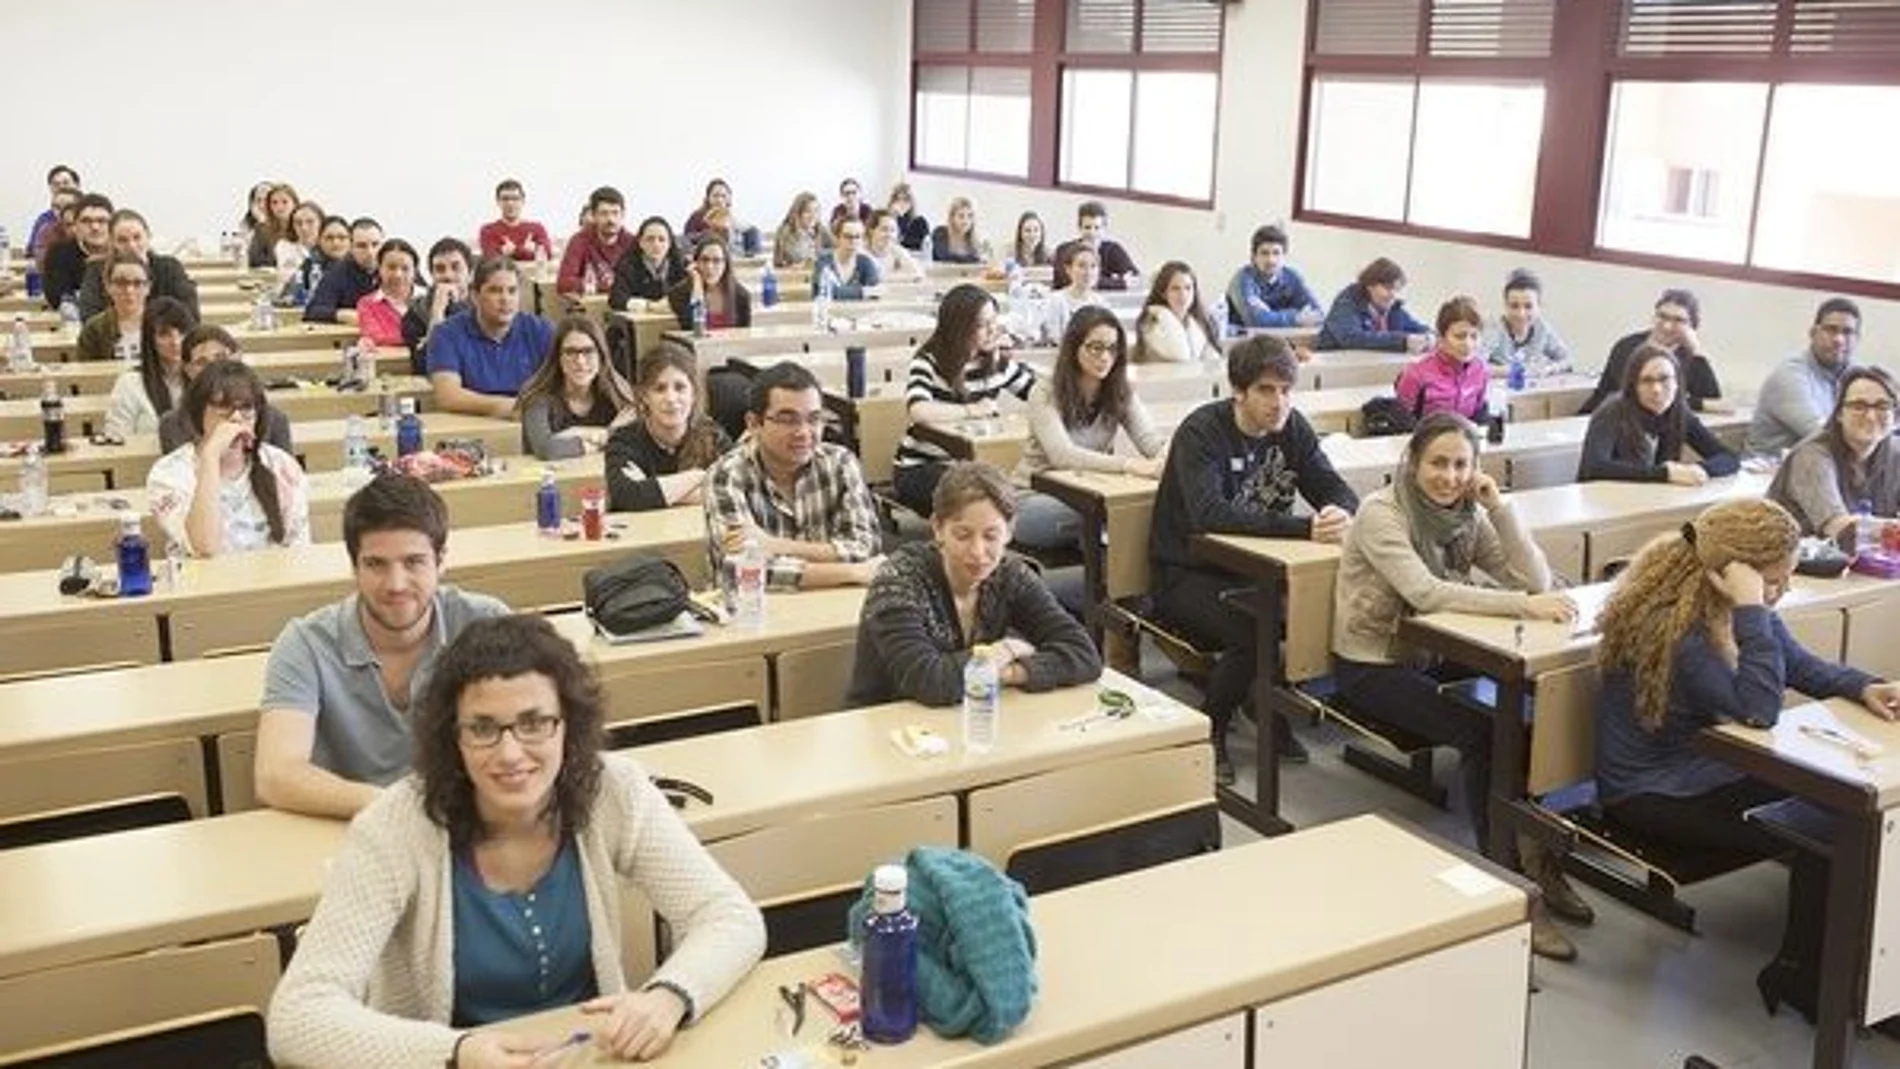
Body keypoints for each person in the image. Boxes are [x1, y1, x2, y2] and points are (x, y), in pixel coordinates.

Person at [265, 613, 766, 1067]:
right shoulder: (394, 827)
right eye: (483, 728)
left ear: (568, 725)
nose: (510, 753)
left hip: (591, 1057)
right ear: (451, 736)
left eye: (534, 723)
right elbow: (297, 1017)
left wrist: (668, 995)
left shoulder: (613, 790)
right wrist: (456, 1051)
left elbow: (730, 916)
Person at [1594, 498, 1900, 1019]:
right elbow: (1759, 711)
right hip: (1654, 792)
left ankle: (1860, 972)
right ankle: (1800, 975)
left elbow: (1799, 666)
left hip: (1712, 767)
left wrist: (1865, 686)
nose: (1780, 593)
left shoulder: (1731, 606)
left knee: (1859, 817)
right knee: (1832, 830)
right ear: (1729, 575)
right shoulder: (1678, 628)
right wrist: (1752, 608)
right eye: (1772, 582)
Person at [1332, 411, 1582, 960]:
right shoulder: (1381, 514)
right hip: (1371, 662)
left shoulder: (1469, 512)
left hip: (1431, 651)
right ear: (1413, 462)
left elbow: (1533, 579)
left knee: (1530, 718)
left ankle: (1537, 851)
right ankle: (1508, 880)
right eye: (1437, 463)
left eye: (1460, 465)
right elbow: (1426, 593)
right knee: (1482, 732)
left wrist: (1500, 506)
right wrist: (1523, 606)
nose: (1449, 476)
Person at [1150, 335, 1358, 783]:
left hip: (1259, 569)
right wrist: (1304, 528)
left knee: (1318, 609)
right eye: (1266, 390)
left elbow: (1335, 488)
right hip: (1186, 571)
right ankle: (1212, 727)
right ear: (1238, 391)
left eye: (1286, 390)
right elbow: (1210, 515)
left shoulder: (1294, 428)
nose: (1278, 402)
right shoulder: (1202, 432)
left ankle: (1262, 702)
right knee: (1255, 630)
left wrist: (1339, 511)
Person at [255, 475, 510, 820]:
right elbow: (276, 775)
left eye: (413, 562)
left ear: (441, 560)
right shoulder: (305, 644)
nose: (396, 584)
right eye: (376, 564)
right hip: (351, 827)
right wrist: (397, 811)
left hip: (468, 821)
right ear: (354, 566)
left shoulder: (486, 623)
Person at [847, 461, 1102, 706]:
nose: (978, 552)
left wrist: (1009, 674)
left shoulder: (1011, 576)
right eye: (963, 535)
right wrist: (1004, 650)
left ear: (1010, 532)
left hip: (966, 716)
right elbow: (929, 681)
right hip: (888, 728)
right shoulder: (898, 580)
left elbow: (1084, 655)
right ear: (937, 528)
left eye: (991, 536)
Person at [704, 361, 883, 591]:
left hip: (837, 600)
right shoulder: (726, 475)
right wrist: (853, 572)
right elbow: (742, 572)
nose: (803, 432)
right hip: (758, 613)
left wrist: (776, 546)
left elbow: (865, 548)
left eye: (814, 419)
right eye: (788, 420)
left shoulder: (839, 462)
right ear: (754, 424)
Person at [1013, 307, 1168, 550]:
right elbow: (1062, 455)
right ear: (1074, 348)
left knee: (1143, 510)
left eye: (1112, 349)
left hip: (1089, 492)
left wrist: (1167, 457)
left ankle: (1120, 584)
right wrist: (1128, 465)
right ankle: (1106, 582)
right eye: (1095, 347)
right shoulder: (1045, 392)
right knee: (1107, 514)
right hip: (1034, 499)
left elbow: (1151, 441)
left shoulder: (1120, 391)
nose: (1105, 357)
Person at [892, 284, 1036, 517]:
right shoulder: (929, 360)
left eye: (994, 322)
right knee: (980, 496)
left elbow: (1039, 394)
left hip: (972, 464)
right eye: (982, 325)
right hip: (921, 468)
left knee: (1000, 490)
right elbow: (918, 410)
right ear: (959, 327)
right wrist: (972, 409)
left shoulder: (996, 362)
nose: (992, 331)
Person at [147, 360, 309, 557]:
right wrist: (210, 456)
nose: (237, 419)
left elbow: (299, 552)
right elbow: (203, 547)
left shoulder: (281, 466)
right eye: (223, 409)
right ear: (199, 414)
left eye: (246, 409)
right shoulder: (169, 473)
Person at [1768, 366, 1900, 542]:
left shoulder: (1894, 452)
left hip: (1864, 559)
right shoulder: (1811, 455)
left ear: (1896, 416)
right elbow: (1839, 528)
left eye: (1882, 406)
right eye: (1858, 406)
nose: (1870, 416)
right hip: (1793, 560)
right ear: (1839, 414)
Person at [1578, 346, 1738, 485]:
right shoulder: (1612, 410)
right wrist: (1666, 473)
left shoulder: (1679, 411)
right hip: (1606, 502)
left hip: (1656, 498)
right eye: (1646, 381)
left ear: (1677, 383)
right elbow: (1594, 467)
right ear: (1633, 386)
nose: (1657, 390)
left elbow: (1728, 456)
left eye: (1664, 379)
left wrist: (1700, 470)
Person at [605, 343, 734, 512]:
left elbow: (736, 491)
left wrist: (650, 489)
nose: (671, 398)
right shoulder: (624, 440)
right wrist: (700, 476)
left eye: (680, 387)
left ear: (694, 393)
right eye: (659, 389)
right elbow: (626, 497)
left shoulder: (713, 435)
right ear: (644, 396)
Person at [428, 258, 555, 418]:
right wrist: (511, 407)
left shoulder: (541, 330)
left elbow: (562, 385)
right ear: (475, 296)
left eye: (512, 291)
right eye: (495, 290)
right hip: (472, 425)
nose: (505, 299)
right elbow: (448, 396)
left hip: (532, 421)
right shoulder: (446, 334)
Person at [1745, 297, 1862, 457]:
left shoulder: (1857, 375)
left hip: (1822, 467)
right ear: (1813, 333)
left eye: (1847, 332)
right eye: (1831, 330)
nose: (1838, 340)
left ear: (1857, 339)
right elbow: (1822, 434)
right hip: (1769, 472)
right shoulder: (1789, 375)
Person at [1581, 288, 1721, 414]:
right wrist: (1697, 403)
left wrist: (1697, 351)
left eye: (1678, 320)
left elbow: (1715, 401)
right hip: (1603, 418)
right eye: (1662, 316)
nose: (1667, 326)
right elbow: (1640, 396)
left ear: (1692, 327)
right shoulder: (1628, 346)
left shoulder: (1689, 356)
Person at [159, 325, 295, 455]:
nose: (213, 367)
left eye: (221, 358)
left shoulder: (274, 419)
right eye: (202, 362)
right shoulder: (173, 423)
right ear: (188, 370)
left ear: (236, 358)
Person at [514, 317, 636, 460]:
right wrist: (606, 435)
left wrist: (574, 434)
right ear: (558, 359)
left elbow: (638, 439)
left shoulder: (615, 393)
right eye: (570, 352)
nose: (580, 361)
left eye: (588, 351)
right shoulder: (538, 399)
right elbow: (547, 449)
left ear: (601, 357)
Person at [76, 209, 200, 321]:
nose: (132, 246)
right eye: (122, 240)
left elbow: (190, 315)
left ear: (148, 236)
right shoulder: (97, 271)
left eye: (137, 237)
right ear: (112, 243)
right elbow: (89, 315)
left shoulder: (170, 267)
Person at [103, 297, 197, 439]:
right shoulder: (129, 384)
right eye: (164, 334)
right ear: (150, 340)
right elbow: (116, 439)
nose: (176, 342)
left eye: (182, 332)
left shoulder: (202, 377)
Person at [1393, 296, 1491, 422]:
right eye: (1459, 336)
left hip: (1465, 437)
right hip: (1425, 438)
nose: (1468, 344)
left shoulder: (1481, 369)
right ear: (1441, 338)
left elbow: (1479, 416)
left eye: (1474, 336)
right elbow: (1401, 425)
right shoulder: (1416, 374)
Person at [1314, 257, 1431, 352]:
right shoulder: (1348, 300)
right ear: (1370, 284)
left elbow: (1417, 328)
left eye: (1397, 290)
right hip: (1335, 369)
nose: (1393, 295)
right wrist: (1403, 341)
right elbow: (1351, 338)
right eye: (1388, 288)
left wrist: (1429, 337)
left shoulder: (1393, 307)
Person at [401, 237, 475, 376]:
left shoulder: (486, 308)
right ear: (432, 276)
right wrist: (437, 313)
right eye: (440, 269)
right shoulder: (415, 314)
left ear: (470, 274)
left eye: (456, 267)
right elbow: (425, 366)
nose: (448, 275)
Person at [1226, 224, 1322, 329]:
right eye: (1264, 253)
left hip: (1283, 340)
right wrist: (1296, 317)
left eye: (1276, 253)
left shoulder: (1293, 277)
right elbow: (1256, 322)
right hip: (1244, 342)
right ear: (1253, 256)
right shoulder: (1242, 280)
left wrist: (1268, 313)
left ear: (1284, 256)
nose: (1271, 260)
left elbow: (1318, 315)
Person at [1481, 268, 1571, 375]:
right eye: (1514, 306)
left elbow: (1567, 359)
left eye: (1528, 306)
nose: (1521, 314)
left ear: (1539, 306)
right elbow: (1475, 366)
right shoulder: (1494, 329)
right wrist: (1512, 371)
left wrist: (1549, 368)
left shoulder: (1542, 328)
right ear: (1505, 305)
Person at [1132, 261, 1221, 364]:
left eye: (1188, 288)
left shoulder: (1197, 321)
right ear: (1163, 293)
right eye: (1175, 289)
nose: (1183, 295)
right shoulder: (1153, 319)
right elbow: (1180, 355)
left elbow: (1214, 360)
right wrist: (1163, 315)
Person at [42, 191, 113, 312]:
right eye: (86, 221)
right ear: (75, 226)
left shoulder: (125, 251)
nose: (95, 227)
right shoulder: (58, 253)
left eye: (102, 221)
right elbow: (58, 298)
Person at [556, 186, 633, 296]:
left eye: (615, 213)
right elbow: (564, 283)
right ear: (593, 215)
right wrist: (605, 285)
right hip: (591, 307)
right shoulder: (580, 241)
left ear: (623, 215)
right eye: (604, 213)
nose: (610, 219)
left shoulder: (632, 242)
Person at [666, 235, 753, 331]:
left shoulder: (741, 296)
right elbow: (693, 328)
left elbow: (744, 335)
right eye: (704, 260)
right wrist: (697, 284)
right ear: (696, 263)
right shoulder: (679, 294)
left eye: (717, 261)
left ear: (725, 264)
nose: (709, 267)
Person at [306, 217, 383, 324]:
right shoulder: (336, 272)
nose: (370, 252)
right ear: (350, 247)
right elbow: (312, 312)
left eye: (375, 244)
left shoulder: (399, 267)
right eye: (361, 246)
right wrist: (343, 314)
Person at [75, 252, 150, 361]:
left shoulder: (163, 324)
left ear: (148, 287)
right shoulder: (93, 330)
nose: (129, 290)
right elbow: (86, 373)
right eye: (121, 283)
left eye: (137, 283)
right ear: (108, 286)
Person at [1051, 201, 1139, 291]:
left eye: (1097, 228)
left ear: (1104, 229)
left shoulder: (1113, 249)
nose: (1092, 233)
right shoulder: (1064, 249)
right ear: (1079, 227)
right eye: (1087, 227)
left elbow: (1133, 278)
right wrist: (1118, 282)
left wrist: (1097, 282)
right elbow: (1066, 280)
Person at [607, 216, 688, 313]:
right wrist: (649, 306)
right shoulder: (627, 266)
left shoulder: (681, 265)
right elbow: (616, 299)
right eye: (650, 239)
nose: (656, 244)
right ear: (641, 243)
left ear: (669, 243)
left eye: (662, 239)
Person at [354, 239, 421, 348]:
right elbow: (377, 337)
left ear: (415, 271)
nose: (398, 274)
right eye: (391, 267)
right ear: (379, 268)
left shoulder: (430, 298)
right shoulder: (367, 304)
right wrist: (421, 338)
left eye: (405, 268)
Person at [1038, 242, 1106, 345]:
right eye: (1081, 266)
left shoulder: (1101, 303)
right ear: (1068, 269)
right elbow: (1056, 338)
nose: (1088, 272)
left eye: (1093, 266)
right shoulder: (1055, 300)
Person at [478, 179, 552, 262]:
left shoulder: (537, 228)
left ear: (523, 201)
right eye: (505, 199)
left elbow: (548, 254)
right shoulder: (487, 230)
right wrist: (528, 251)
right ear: (498, 201)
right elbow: (489, 258)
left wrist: (509, 252)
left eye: (515, 198)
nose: (510, 203)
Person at [682, 178, 760, 254]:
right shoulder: (697, 217)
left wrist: (750, 253)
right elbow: (686, 239)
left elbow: (753, 231)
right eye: (715, 196)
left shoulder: (733, 218)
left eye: (723, 196)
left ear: (728, 198)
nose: (719, 200)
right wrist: (705, 235)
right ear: (708, 197)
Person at [290, 215, 350, 309]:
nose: (336, 243)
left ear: (350, 240)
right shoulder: (310, 265)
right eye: (329, 238)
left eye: (342, 238)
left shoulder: (359, 266)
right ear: (319, 240)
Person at [812, 216, 880, 299]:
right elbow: (823, 291)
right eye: (848, 236)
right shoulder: (823, 262)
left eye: (858, 237)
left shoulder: (866, 262)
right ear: (837, 238)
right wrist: (863, 292)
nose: (853, 241)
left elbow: (876, 291)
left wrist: (840, 291)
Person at [25, 164, 80, 257]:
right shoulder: (43, 220)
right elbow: (31, 251)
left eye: (66, 182)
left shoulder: (88, 215)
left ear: (77, 185)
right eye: (56, 184)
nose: (61, 187)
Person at [275, 200, 326, 296]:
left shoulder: (329, 247)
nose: (304, 228)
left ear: (321, 223)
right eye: (298, 223)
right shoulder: (284, 247)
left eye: (310, 222)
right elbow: (287, 280)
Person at [247, 183, 299, 271]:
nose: (279, 207)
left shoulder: (303, 225)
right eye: (274, 203)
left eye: (284, 202)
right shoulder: (262, 229)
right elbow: (254, 261)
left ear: (294, 203)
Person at [771, 192, 829, 269]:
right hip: (792, 277)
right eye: (808, 211)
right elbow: (796, 258)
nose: (813, 215)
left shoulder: (821, 229)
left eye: (816, 211)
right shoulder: (786, 231)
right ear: (798, 213)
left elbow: (838, 250)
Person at [866, 210, 926, 283]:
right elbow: (872, 279)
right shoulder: (861, 253)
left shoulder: (896, 250)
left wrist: (891, 277)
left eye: (893, 230)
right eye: (884, 229)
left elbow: (918, 274)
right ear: (871, 231)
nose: (889, 235)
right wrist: (901, 275)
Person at [929, 196, 991, 264]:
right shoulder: (940, 232)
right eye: (961, 216)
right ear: (952, 218)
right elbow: (944, 258)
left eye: (970, 216)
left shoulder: (974, 240)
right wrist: (972, 260)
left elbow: (981, 261)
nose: (966, 221)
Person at [31, 187, 80, 272]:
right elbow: (42, 263)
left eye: (67, 206)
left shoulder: (91, 227)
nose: (61, 211)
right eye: (56, 207)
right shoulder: (47, 230)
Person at [887, 182, 930, 251]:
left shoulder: (920, 221)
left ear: (911, 202)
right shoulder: (887, 220)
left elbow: (925, 246)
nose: (901, 203)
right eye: (898, 199)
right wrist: (893, 216)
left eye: (905, 199)